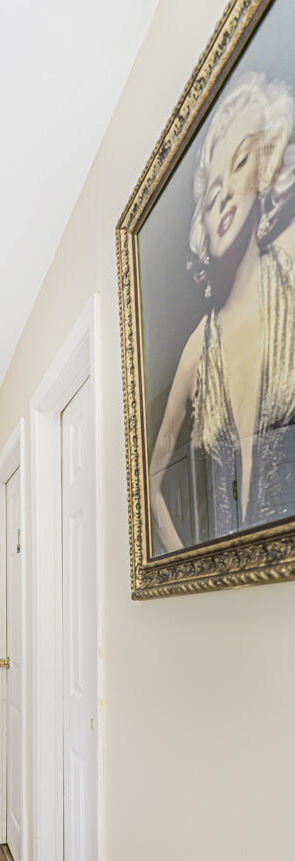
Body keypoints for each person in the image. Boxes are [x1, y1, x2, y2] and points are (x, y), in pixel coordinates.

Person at [149, 71, 295, 553]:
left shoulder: (289, 270)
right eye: (211, 192)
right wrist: (181, 557)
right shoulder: (199, 346)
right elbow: (148, 479)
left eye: (241, 165)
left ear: (266, 173)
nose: (225, 194)